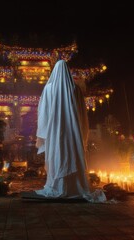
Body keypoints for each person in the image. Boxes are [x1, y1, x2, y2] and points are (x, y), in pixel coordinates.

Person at [35, 60, 106, 203]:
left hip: (55, 131)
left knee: (57, 155)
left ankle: (57, 185)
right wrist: (80, 130)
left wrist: (44, 132)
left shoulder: (48, 89)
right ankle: (74, 186)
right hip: (72, 132)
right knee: (72, 154)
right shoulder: (75, 89)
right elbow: (82, 114)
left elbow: (43, 113)